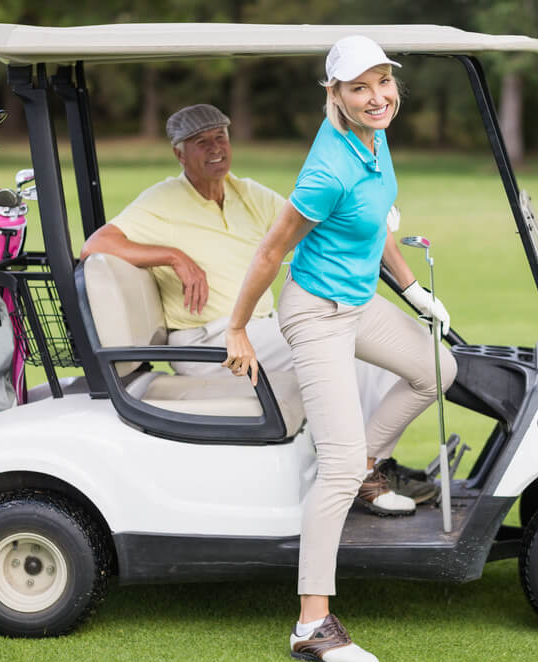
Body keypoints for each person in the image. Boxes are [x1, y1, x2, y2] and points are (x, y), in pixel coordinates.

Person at [223, 36, 458, 662]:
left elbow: (377, 229)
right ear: (337, 95)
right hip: (317, 313)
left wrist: (415, 294)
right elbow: (271, 251)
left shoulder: (375, 140)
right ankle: (312, 625)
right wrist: (238, 327)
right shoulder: (328, 168)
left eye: (384, 82)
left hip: (359, 303)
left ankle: (365, 470)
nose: (377, 96)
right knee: (337, 465)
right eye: (360, 88)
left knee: (439, 370)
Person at [78, 103, 411, 434]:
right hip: (206, 342)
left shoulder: (247, 193)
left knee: (366, 346)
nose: (215, 149)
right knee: (346, 346)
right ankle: (370, 469)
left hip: (258, 329)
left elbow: (312, 224)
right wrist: (173, 256)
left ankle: (368, 460)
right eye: (201, 142)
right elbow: (95, 245)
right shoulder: (162, 199)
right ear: (180, 155)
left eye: (220, 137)